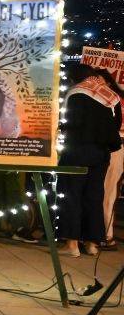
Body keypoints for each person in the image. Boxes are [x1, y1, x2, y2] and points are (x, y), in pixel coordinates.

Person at [57, 63, 123, 257]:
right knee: (94, 197)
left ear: (73, 78)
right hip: (101, 154)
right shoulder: (111, 96)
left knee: (71, 195)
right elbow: (117, 124)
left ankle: (71, 245)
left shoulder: (76, 93)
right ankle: (92, 243)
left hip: (77, 152)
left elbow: (71, 123)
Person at [97, 69, 124, 250]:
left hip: (115, 146)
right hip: (117, 145)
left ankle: (106, 235)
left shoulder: (110, 99)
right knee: (109, 190)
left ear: (107, 82)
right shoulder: (117, 97)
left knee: (107, 191)